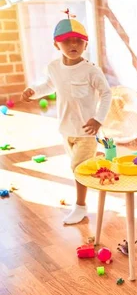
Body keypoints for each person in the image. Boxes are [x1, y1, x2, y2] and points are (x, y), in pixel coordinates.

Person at [22, 14, 111, 225]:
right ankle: (97, 167)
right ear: (56, 44)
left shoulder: (91, 70)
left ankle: (81, 206)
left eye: (78, 40)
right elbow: (49, 85)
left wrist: (98, 119)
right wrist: (33, 91)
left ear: (85, 43)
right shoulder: (54, 67)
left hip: (87, 132)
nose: (73, 45)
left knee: (78, 168)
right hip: (66, 129)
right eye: (67, 40)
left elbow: (106, 93)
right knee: (79, 167)